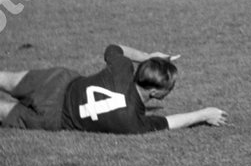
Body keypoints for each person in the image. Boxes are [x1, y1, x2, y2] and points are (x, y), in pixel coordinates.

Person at [0, 44, 227, 134]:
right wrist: (205, 114)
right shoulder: (132, 122)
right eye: (170, 87)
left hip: (55, 83)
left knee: (4, 79)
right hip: (52, 119)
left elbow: (114, 47)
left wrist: (147, 56)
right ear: (156, 93)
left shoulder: (122, 69)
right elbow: (171, 122)